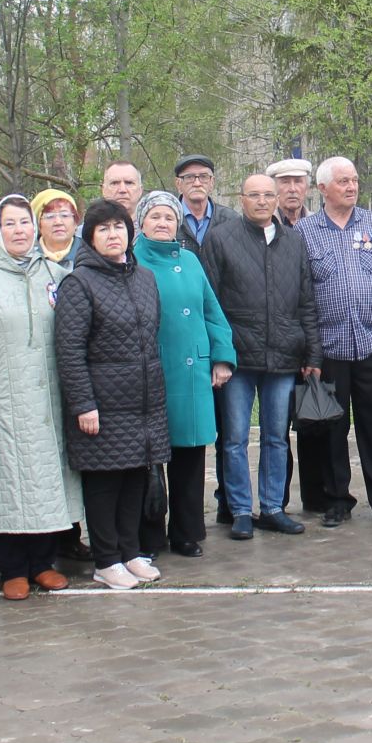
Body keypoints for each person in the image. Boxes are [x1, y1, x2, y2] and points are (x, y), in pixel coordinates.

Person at [0, 196, 80, 600]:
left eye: (25, 222)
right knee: (6, 483)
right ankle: (11, 568)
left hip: (49, 401)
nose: (19, 230)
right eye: (10, 224)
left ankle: (43, 563)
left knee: (46, 483)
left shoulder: (56, 275)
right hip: (2, 402)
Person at [296, 157, 372, 526]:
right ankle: (336, 501)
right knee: (331, 427)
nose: (351, 187)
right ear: (322, 189)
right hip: (328, 349)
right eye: (343, 181)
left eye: (354, 180)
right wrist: (310, 350)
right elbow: (300, 295)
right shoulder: (304, 232)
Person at [55, 199, 170, 588]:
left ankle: (131, 551)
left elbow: (150, 337)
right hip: (102, 403)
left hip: (142, 400)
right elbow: (69, 350)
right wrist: (84, 404)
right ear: (89, 237)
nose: (112, 234)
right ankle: (106, 560)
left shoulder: (144, 278)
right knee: (105, 483)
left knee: (135, 477)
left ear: (129, 232)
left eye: (118, 227)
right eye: (102, 229)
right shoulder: (79, 283)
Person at [206, 175, 320, 541]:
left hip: (284, 356)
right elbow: (210, 303)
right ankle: (240, 510)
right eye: (254, 195)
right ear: (241, 199)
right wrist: (218, 355)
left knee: (277, 437)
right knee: (235, 438)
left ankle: (273, 507)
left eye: (268, 195)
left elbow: (306, 301)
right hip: (238, 358)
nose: (262, 201)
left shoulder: (293, 242)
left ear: (277, 200)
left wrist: (311, 352)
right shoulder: (221, 239)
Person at [132, 192, 238, 550]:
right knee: (149, 458)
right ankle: (148, 535)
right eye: (155, 216)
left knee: (190, 455)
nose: (162, 223)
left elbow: (212, 311)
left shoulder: (191, 261)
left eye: (168, 217)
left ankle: (187, 532)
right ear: (141, 222)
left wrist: (222, 357)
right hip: (152, 372)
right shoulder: (130, 261)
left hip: (193, 372)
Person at [175, 154, 238, 254]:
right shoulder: (168, 219)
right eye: (189, 177)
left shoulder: (230, 219)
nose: (197, 183)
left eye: (203, 177)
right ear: (178, 184)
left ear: (212, 182)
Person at [32, 189, 81, 268]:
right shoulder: (27, 256)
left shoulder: (91, 253)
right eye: (50, 216)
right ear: (38, 225)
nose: (58, 222)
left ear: (75, 223)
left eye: (64, 215)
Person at [268, 158, 313, 227]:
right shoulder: (265, 224)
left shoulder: (319, 225)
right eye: (285, 182)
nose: (292, 189)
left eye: (298, 181)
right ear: (274, 189)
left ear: (307, 188)